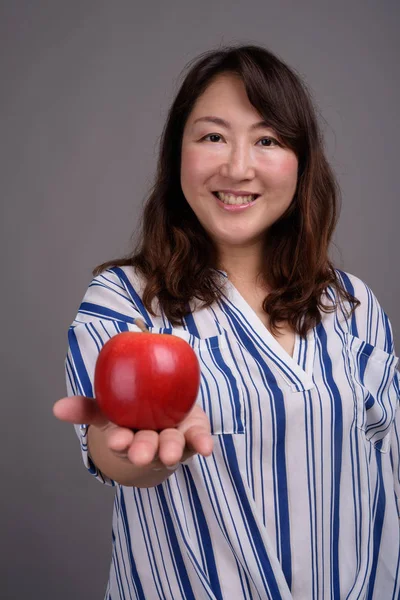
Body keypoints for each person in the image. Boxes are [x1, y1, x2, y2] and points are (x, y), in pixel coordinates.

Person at [53, 44, 400, 599]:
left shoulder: (353, 304)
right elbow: (114, 452)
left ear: (302, 162)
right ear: (177, 154)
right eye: (213, 136)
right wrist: (126, 447)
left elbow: (387, 479)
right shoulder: (124, 300)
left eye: (267, 140)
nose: (238, 167)